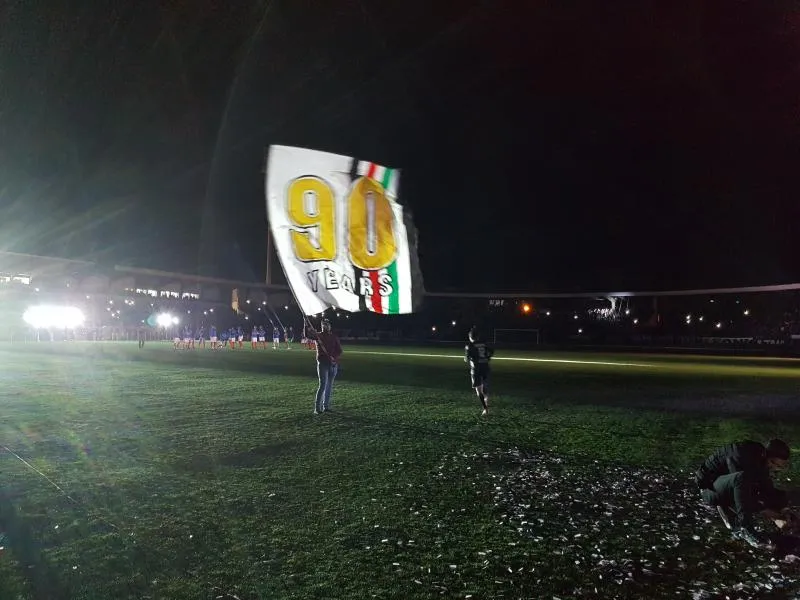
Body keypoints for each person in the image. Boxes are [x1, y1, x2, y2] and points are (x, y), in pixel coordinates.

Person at [696, 438, 791, 548]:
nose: (774, 468)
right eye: (773, 463)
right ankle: (745, 527)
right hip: (710, 489)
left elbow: (767, 488)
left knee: (765, 487)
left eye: (779, 466)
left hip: (728, 484)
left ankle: (734, 515)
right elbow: (741, 495)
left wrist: (784, 510)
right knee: (741, 481)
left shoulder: (760, 458)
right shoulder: (740, 455)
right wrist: (771, 515)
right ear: (765, 454)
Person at [306, 318, 342, 414]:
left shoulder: (334, 337)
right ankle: (317, 408)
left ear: (330, 326)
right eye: (323, 324)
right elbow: (307, 335)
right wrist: (305, 323)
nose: (325, 326)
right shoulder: (318, 335)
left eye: (326, 324)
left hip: (333, 365)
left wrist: (334, 358)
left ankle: (326, 406)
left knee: (329, 386)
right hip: (323, 364)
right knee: (322, 385)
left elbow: (339, 350)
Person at [465, 327, 494, 416]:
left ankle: (485, 409)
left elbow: (467, 358)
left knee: (479, 390)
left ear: (470, 336)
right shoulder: (483, 344)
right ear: (477, 336)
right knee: (484, 384)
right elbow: (491, 351)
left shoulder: (469, 346)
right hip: (485, 366)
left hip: (476, 368)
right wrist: (487, 358)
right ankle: (486, 396)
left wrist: (466, 358)